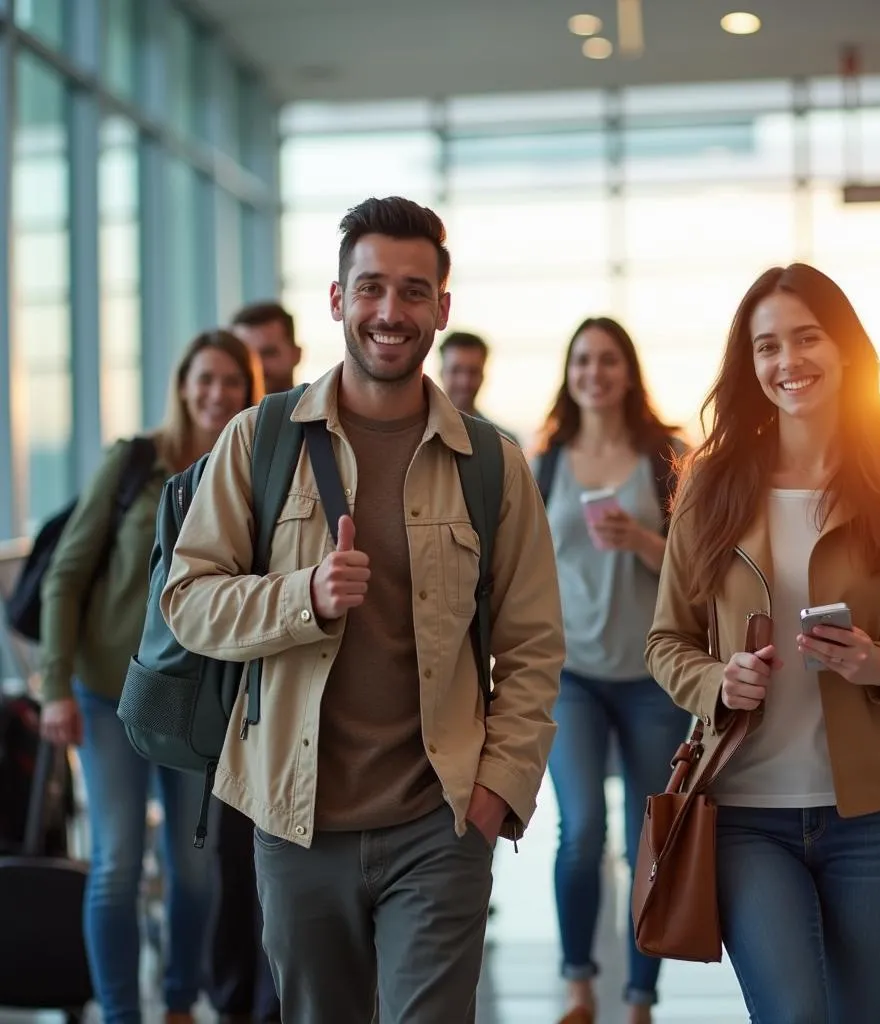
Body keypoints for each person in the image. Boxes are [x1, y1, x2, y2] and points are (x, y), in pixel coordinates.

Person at [159, 196, 564, 1024]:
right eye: (371, 288)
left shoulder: (491, 464)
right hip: (296, 821)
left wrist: (496, 792)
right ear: (338, 299)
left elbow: (531, 644)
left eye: (414, 292)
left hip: (439, 821)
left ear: (442, 309)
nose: (391, 312)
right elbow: (188, 602)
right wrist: (300, 596)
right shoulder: (258, 439)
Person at [646, 263, 880, 1023]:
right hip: (742, 811)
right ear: (749, 363)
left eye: (805, 338)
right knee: (795, 1014)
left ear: (846, 350)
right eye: (767, 346)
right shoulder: (709, 486)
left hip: (876, 820)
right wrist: (716, 682)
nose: (787, 361)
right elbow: (667, 641)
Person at [38, 331, 262, 1024]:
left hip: (197, 699)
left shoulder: (255, 474)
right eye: (205, 378)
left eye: (232, 381)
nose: (217, 393)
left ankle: (178, 1002)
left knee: (194, 873)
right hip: (107, 688)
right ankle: (118, 1014)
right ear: (182, 383)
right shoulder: (136, 462)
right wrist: (53, 686)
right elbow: (66, 575)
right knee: (117, 866)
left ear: (248, 393)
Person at [534, 317, 691, 1024]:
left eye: (607, 360)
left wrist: (644, 541)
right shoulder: (546, 462)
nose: (594, 372)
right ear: (570, 374)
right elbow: (525, 570)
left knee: (649, 840)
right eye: (582, 361)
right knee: (582, 827)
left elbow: (701, 575)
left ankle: (640, 997)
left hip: (655, 677)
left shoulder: (667, 458)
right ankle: (577, 981)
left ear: (628, 372)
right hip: (573, 677)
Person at [201, 299, 305, 1024]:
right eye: (244, 356)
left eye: (267, 353)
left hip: (285, 700)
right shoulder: (184, 461)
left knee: (279, 881)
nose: (255, 369)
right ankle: (234, 1001)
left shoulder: (308, 448)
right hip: (213, 697)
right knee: (227, 872)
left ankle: (268, 1004)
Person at [439, 330, 518, 442]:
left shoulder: (504, 443)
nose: (464, 382)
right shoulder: (415, 433)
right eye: (456, 370)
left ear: (483, 376)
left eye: (473, 371)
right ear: (441, 373)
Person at [232, 300, 302, 395]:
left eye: (268, 353)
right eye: (247, 356)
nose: (257, 366)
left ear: (296, 355)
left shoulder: (319, 409)